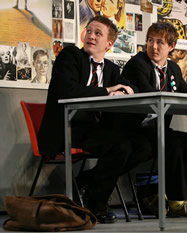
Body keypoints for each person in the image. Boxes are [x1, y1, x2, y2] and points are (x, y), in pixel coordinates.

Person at [37, 16, 152, 224]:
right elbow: (69, 90)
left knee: (143, 145)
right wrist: (108, 90)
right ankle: (96, 203)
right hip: (66, 128)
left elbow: (130, 87)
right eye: (89, 31)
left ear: (109, 43)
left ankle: (86, 181)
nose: (91, 36)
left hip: (93, 130)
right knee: (120, 145)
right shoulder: (70, 56)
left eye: (98, 33)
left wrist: (124, 92)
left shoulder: (111, 69)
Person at [121, 21, 187, 217]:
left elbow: (186, 94)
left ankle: (175, 196)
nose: (153, 46)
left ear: (172, 46)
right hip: (135, 131)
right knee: (174, 143)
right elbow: (151, 96)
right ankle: (177, 203)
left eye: (160, 42)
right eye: (151, 41)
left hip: (157, 130)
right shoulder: (137, 64)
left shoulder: (173, 68)